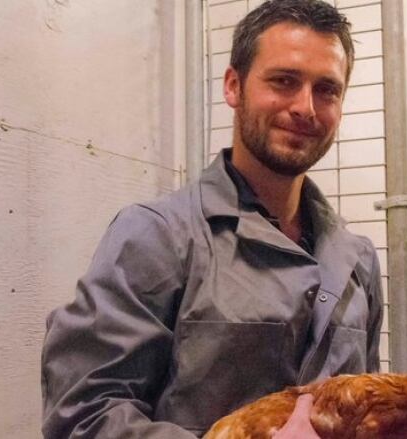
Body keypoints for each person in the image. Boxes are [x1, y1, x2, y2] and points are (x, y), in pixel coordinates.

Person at [40, 0, 384, 437]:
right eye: (283, 81)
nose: (306, 107)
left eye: (327, 90)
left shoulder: (359, 261)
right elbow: (83, 415)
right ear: (233, 87)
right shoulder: (159, 236)